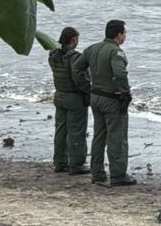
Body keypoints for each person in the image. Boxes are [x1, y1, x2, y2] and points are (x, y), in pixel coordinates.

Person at [83, 19, 134, 186]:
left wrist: (86, 85)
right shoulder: (115, 52)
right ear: (118, 35)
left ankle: (97, 172)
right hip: (111, 98)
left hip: (95, 96)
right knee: (116, 137)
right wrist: (124, 92)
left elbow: (77, 67)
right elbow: (120, 73)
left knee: (99, 135)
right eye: (124, 33)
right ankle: (118, 175)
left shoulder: (91, 49)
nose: (125, 35)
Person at [48, 27, 89, 175]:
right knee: (76, 132)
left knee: (60, 131)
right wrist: (88, 90)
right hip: (74, 98)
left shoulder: (53, 55)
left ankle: (60, 162)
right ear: (73, 39)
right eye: (77, 38)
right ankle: (77, 165)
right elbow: (79, 77)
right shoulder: (75, 57)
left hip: (59, 95)